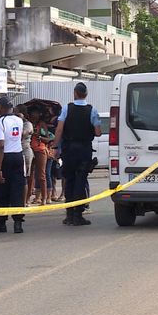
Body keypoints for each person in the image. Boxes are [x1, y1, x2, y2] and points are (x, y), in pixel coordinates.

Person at [52, 82, 102, 226]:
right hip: (84, 149)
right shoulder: (92, 110)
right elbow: (98, 132)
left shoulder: (67, 108)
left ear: (75, 93)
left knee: (69, 180)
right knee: (81, 180)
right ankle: (78, 215)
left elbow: (59, 129)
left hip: (69, 149)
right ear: (86, 94)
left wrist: (56, 147)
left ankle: (69, 214)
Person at [0, 97, 26, 234]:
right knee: (17, 189)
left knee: (1, 190)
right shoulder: (19, 120)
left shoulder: (0, 123)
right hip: (18, 155)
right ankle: (18, 223)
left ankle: (1, 223)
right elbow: (20, 137)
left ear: (1, 108)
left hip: (5, 157)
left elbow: (0, 146)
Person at [28, 105, 52, 206]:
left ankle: (44, 198)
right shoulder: (27, 124)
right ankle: (28, 198)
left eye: (36, 114)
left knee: (41, 175)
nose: (35, 115)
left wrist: (39, 136)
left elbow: (47, 139)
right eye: (33, 114)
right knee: (29, 174)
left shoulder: (42, 124)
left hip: (40, 149)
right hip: (29, 149)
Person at [14, 104, 34, 207]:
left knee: (24, 177)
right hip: (14, 151)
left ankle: (25, 200)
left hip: (25, 150)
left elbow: (22, 134)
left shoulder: (27, 124)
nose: (15, 115)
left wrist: (18, 122)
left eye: (17, 112)